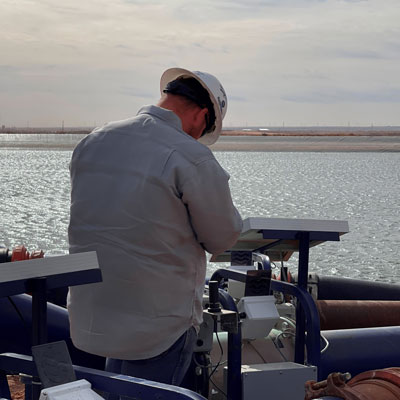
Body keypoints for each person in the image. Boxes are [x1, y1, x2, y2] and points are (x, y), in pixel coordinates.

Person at [67, 67, 243, 388]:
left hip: (93, 320)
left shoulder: (93, 142)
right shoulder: (191, 158)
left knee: (113, 390)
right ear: (202, 116)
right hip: (157, 329)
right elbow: (222, 237)